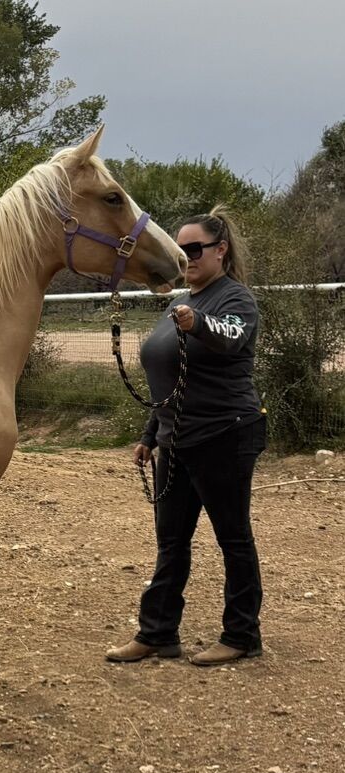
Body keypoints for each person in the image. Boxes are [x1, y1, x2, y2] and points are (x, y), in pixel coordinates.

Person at [106, 205, 266, 667]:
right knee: (171, 540)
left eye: (194, 248)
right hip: (176, 440)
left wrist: (200, 325)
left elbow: (231, 336)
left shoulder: (234, 300)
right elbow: (167, 378)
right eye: (181, 249)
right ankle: (158, 633)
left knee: (232, 538)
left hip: (224, 435)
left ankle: (241, 635)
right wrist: (150, 434)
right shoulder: (183, 301)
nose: (186, 256)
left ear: (220, 250)